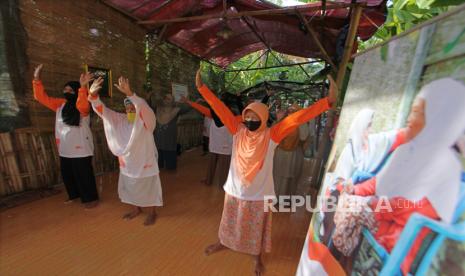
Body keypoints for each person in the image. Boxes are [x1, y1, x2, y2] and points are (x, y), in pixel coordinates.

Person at [196, 69, 335, 275]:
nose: (250, 119)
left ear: (263, 118)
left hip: (259, 194)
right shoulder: (237, 130)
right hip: (234, 190)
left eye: (254, 116)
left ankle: (257, 259)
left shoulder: (272, 135)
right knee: (229, 221)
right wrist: (202, 88)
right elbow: (219, 107)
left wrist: (327, 102)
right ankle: (223, 242)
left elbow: (297, 119)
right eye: (247, 116)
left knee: (255, 229)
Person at [335, 78, 465, 275]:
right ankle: (343, 260)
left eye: (418, 113)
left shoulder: (445, 166)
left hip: (399, 237)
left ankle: (345, 259)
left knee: (351, 207)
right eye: (412, 111)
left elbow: (416, 210)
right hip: (383, 218)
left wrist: (375, 204)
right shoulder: (409, 151)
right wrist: (355, 189)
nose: (409, 119)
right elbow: (377, 183)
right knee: (346, 201)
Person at [88, 76, 163, 226]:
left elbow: (144, 108)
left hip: (145, 161)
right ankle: (136, 208)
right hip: (127, 163)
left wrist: (130, 94)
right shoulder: (120, 119)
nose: (130, 109)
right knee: (130, 186)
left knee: (149, 187)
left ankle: (152, 212)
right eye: (127, 107)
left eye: (133, 107)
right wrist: (92, 96)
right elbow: (102, 111)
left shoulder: (145, 120)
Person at [32, 64, 99, 208]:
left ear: (76, 91)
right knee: (68, 175)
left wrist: (82, 88)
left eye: (70, 90)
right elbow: (41, 97)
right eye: (65, 89)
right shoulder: (60, 104)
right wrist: (36, 79)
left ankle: (90, 199)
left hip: (81, 149)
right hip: (65, 148)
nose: (66, 91)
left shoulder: (83, 104)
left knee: (84, 175)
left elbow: (82, 106)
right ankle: (74, 195)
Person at [182, 95, 238, 187]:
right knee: (211, 164)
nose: (219, 106)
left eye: (222, 105)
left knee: (224, 167)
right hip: (215, 145)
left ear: (226, 107)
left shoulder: (231, 118)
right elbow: (200, 107)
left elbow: (243, 119)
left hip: (225, 147)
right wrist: (188, 101)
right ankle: (209, 180)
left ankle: (224, 184)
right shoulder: (213, 114)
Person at [273, 103, 309, 198]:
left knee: (291, 178)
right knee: (278, 176)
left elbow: (304, 137)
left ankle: (286, 199)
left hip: (294, 155)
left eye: (294, 111)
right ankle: (276, 197)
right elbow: (273, 135)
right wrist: (278, 120)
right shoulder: (282, 121)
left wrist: (300, 121)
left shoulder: (302, 123)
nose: (291, 113)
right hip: (281, 154)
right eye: (290, 110)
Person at [151, 94, 191, 170]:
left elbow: (187, 108)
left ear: (172, 101)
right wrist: (149, 95)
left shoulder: (176, 110)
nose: (166, 99)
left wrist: (187, 101)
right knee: (158, 157)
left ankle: (170, 167)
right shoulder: (158, 108)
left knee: (170, 163)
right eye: (165, 98)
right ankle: (159, 165)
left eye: (169, 99)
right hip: (158, 138)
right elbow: (148, 105)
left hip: (169, 139)